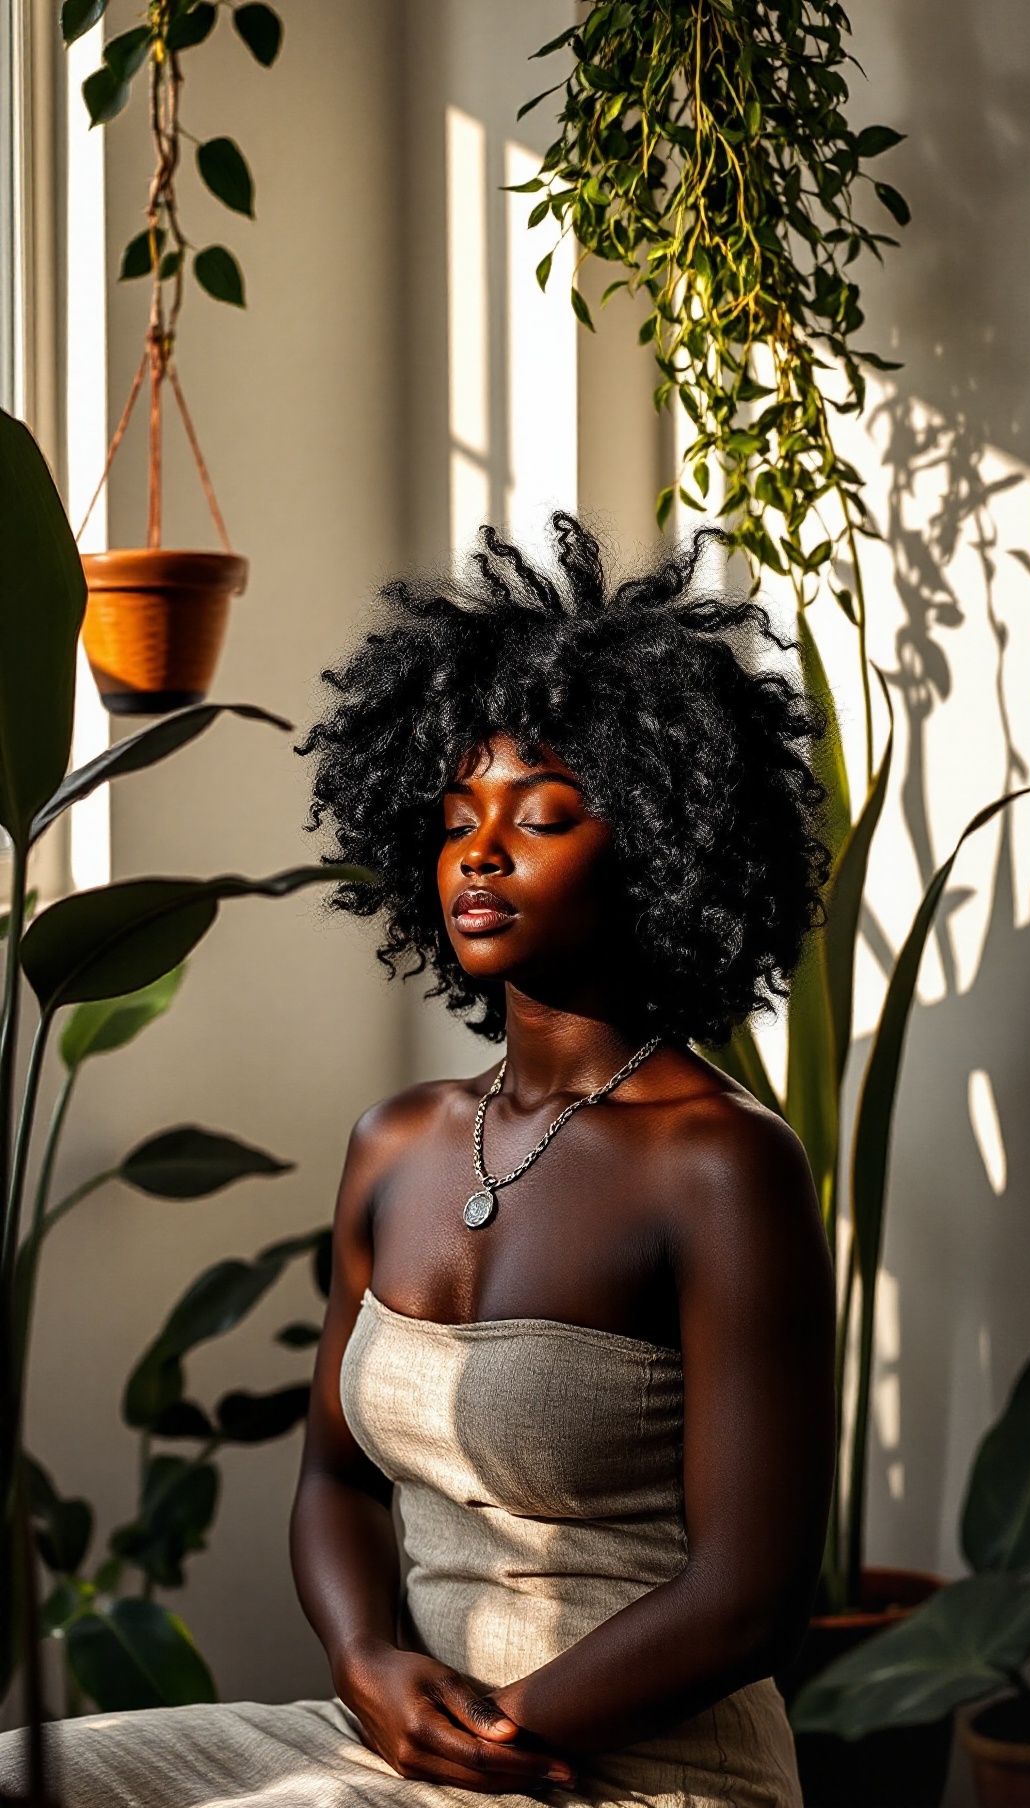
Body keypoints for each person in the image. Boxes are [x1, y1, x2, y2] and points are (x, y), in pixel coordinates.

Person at [0, 514, 835, 1808]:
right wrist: (367, 1664)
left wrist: (481, 1737)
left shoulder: (721, 1165)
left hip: (630, 1764)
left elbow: (750, 1601)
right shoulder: (400, 1143)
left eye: (543, 817)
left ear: (668, 846)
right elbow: (334, 1479)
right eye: (456, 820)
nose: (481, 852)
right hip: (396, 1730)